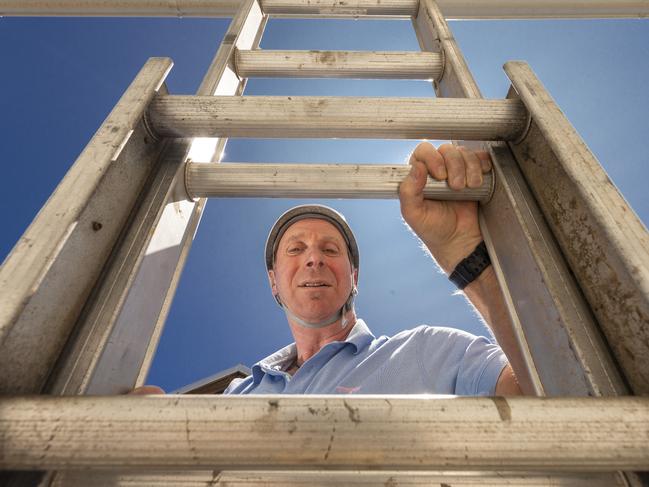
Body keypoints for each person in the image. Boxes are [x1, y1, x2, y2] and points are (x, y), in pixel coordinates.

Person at [133, 142, 527, 396]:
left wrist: (471, 260)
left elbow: (548, 394)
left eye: (330, 248)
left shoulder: (427, 350)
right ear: (274, 282)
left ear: (354, 277)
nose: (313, 258)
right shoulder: (239, 394)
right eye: (296, 248)